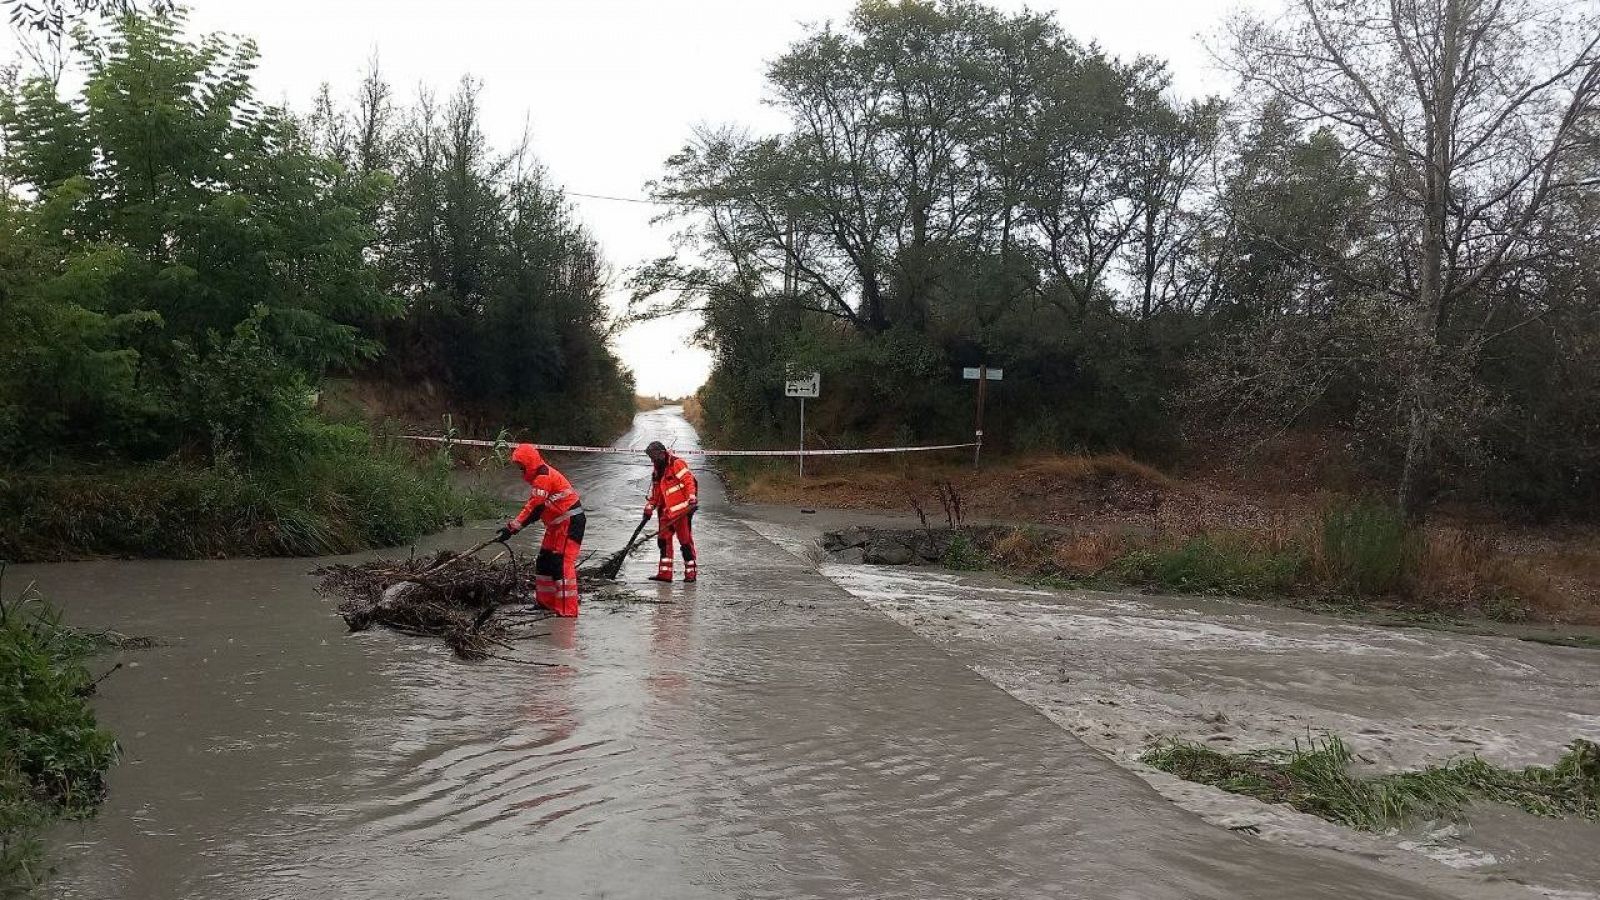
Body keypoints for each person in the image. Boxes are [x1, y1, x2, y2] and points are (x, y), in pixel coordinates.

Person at [497, 443, 585, 616]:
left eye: (521, 466)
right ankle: (546, 604)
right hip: (557, 525)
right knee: (544, 561)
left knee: (562, 564)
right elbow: (537, 511)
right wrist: (513, 528)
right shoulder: (540, 477)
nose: (520, 470)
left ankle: (568, 610)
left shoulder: (543, 477)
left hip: (570, 523)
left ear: (529, 463)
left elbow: (534, 508)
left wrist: (512, 529)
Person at [642, 440, 698, 583]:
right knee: (663, 541)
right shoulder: (657, 471)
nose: (652, 459)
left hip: (681, 512)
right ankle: (665, 574)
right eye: (650, 456)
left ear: (661, 453)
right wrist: (649, 507)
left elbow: (689, 481)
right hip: (665, 513)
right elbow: (656, 494)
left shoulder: (676, 464)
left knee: (685, 542)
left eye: (654, 455)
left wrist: (692, 498)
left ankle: (690, 573)